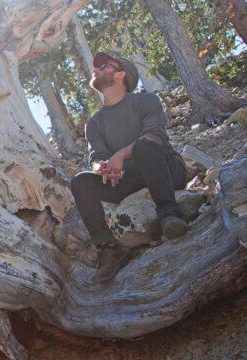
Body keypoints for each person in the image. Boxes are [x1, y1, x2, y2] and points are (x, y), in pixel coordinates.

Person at [70, 52, 189, 283]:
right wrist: (103, 167)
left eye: (103, 65)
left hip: (165, 170)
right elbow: (96, 156)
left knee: (144, 147)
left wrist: (121, 155)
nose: (96, 69)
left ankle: (169, 214)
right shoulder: (94, 123)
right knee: (81, 182)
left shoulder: (145, 101)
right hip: (127, 180)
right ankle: (108, 248)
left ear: (121, 73)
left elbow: (155, 137)